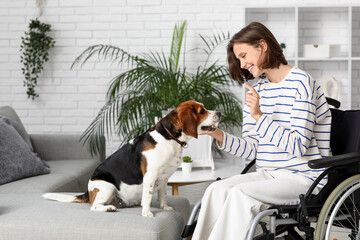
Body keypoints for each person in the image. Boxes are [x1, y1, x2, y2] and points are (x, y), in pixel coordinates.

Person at [192, 22, 332, 240]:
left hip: (304, 178)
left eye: (244, 55)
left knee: (239, 194)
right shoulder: (257, 89)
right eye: (238, 59)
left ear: (263, 45)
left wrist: (258, 116)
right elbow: (253, 150)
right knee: (216, 190)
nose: (242, 63)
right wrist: (218, 135)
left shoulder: (301, 83)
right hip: (269, 174)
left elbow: (298, 146)